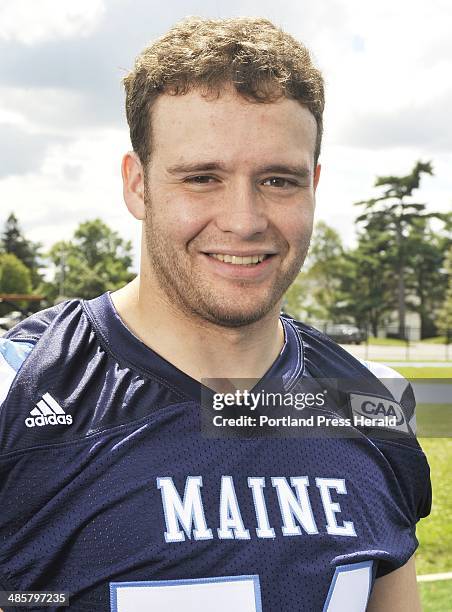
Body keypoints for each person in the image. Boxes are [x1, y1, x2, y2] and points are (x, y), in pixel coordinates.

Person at [0, 16, 431, 612]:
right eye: (202, 178)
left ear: (315, 186)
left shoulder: (370, 402)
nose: (244, 219)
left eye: (279, 180)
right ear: (137, 185)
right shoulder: (18, 389)